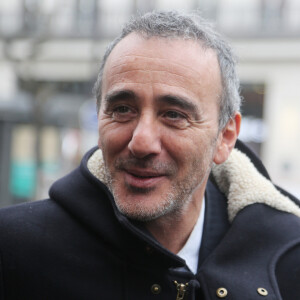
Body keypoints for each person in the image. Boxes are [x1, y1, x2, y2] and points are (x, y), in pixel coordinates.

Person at [0, 10, 300, 300]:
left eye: (173, 114)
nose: (141, 142)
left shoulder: (289, 260)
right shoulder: (14, 250)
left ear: (225, 137)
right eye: (122, 109)